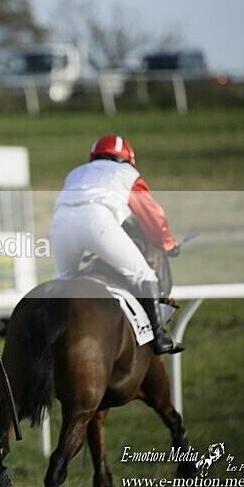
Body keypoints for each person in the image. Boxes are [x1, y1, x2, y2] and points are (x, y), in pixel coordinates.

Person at [49, 135, 184, 355]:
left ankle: (49, 329)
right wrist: (168, 244)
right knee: (144, 275)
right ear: (128, 158)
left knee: (64, 278)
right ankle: (159, 337)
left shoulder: (76, 172)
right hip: (97, 221)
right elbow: (152, 216)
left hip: (61, 222)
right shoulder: (128, 174)